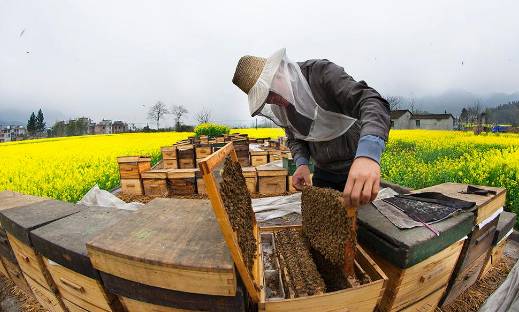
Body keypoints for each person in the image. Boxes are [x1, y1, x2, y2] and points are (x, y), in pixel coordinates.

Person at [232, 48, 390, 207]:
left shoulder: (322, 74)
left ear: (278, 73)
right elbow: (294, 138)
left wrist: (368, 155)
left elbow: (371, 102)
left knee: (364, 227)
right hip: (324, 172)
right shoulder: (280, 108)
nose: (271, 101)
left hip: (356, 169)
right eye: (265, 99)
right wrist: (301, 163)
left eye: (269, 93)